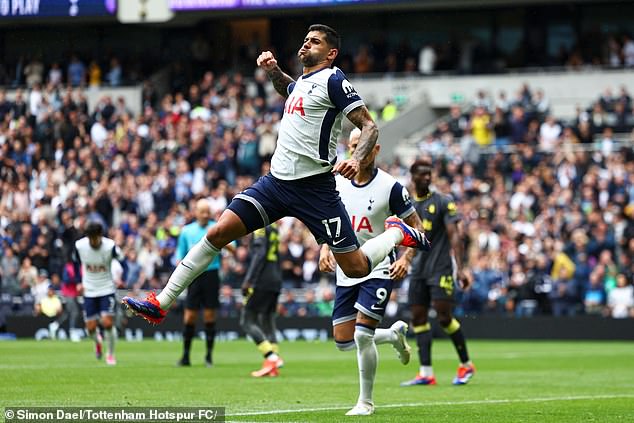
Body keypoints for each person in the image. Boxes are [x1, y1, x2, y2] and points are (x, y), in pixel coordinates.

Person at [122, 24, 430, 324]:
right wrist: (272, 71)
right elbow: (290, 89)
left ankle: (395, 233)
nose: (306, 44)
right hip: (276, 184)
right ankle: (161, 302)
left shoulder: (333, 79)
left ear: (331, 53)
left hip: (315, 190)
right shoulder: (304, 82)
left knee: (356, 269)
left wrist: (356, 157)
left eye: (315, 42)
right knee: (218, 232)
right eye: (306, 39)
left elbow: (370, 126)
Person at [319, 128, 422, 416]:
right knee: (343, 341)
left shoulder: (391, 187)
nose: (357, 152)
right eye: (352, 147)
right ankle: (391, 336)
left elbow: (417, 226)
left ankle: (366, 402)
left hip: (378, 267)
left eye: (362, 147)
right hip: (346, 268)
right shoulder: (337, 182)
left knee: (363, 335)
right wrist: (325, 247)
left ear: (375, 150)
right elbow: (326, 219)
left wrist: (406, 257)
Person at [401, 158, 475, 387]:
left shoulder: (443, 201)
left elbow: (454, 235)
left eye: (429, 174)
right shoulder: (408, 205)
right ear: (413, 177)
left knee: (444, 317)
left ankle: (466, 364)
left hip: (440, 267)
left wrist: (461, 268)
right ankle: (426, 372)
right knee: (419, 319)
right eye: (422, 174)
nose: (427, 178)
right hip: (418, 269)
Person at [176, 199, 230, 367]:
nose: (205, 214)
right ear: (196, 212)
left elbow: (232, 247)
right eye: (202, 211)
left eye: (207, 211)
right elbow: (180, 256)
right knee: (190, 316)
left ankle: (208, 356)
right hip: (193, 276)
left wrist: (226, 242)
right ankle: (185, 356)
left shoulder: (218, 227)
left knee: (209, 315)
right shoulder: (186, 231)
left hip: (211, 275)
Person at [73, 221, 124, 365]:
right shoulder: (80, 246)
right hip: (89, 290)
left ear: (101, 236)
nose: (94, 241)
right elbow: (75, 263)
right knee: (90, 328)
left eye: (96, 237)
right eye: (91, 238)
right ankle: (97, 342)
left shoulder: (110, 246)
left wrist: (120, 278)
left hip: (106, 288)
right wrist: (78, 281)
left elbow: (122, 259)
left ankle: (111, 354)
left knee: (107, 323)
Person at [240, 223, 284, 377]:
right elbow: (278, 257)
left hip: (261, 280)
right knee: (268, 322)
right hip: (275, 280)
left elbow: (260, 254)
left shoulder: (260, 227)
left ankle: (272, 357)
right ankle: (272, 367)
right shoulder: (274, 228)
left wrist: (248, 280)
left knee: (247, 321)